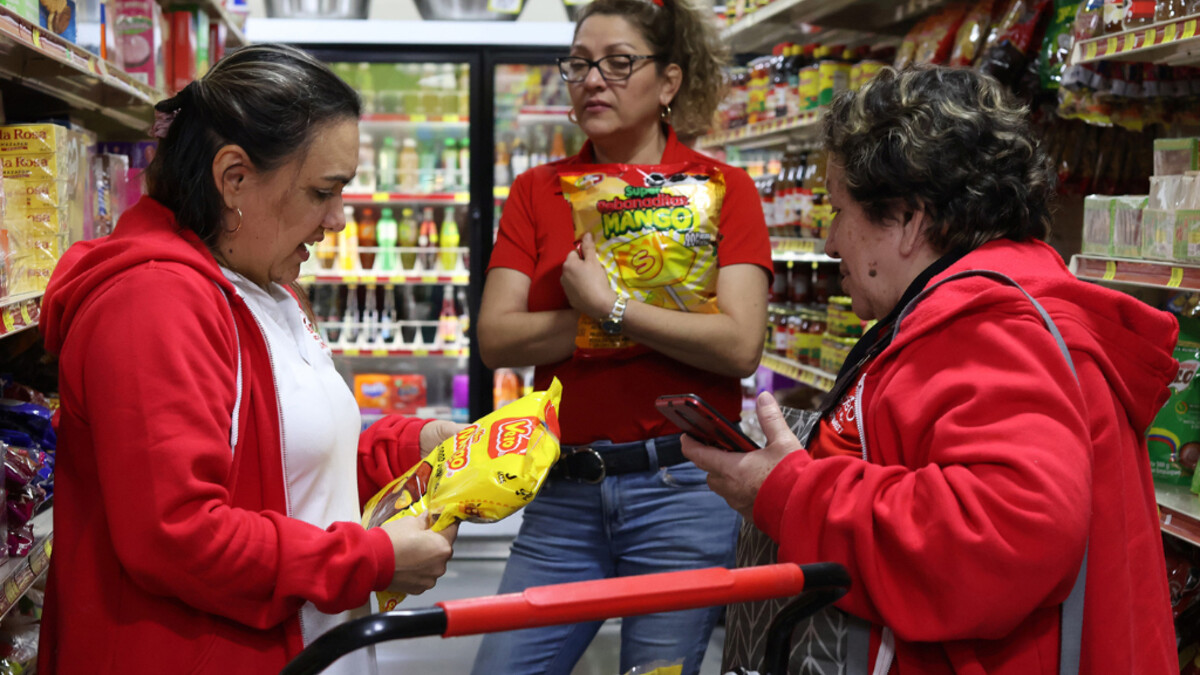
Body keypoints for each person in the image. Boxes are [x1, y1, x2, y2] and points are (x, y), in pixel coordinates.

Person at [683, 65, 1179, 674]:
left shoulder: (989, 329)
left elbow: (1003, 533)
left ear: (910, 219)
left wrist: (788, 491)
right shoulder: (995, 306)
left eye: (839, 211)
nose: (832, 241)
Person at [37, 44, 460, 675]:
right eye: (324, 191)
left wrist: (408, 446)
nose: (340, 220)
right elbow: (176, 536)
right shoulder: (153, 304)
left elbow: (284, 464)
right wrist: (369, 560)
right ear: (233, 176)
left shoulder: (264, 285)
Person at [472, 0, 771, 673]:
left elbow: (739, 344)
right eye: (578, 64)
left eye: (617, 63)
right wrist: (643, 322)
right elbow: (496, 337)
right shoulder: (538, 190)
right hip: (563, 492)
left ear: (668, 83)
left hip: (683, 492)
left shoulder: (725, 189)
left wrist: (613, 311)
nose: (592, 80)